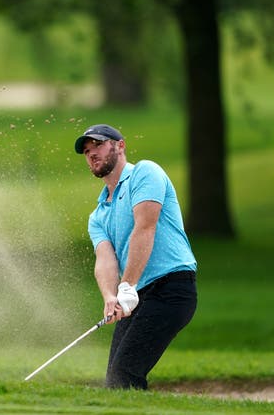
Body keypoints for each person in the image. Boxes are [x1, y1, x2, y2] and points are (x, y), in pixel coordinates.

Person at [74, 124, 197, 390]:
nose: (91, 154)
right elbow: (105, 260)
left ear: (120, 146)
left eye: (98, 145)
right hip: (137, 295)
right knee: (116, 381)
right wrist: (110, 295)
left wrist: (126, 285)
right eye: (86, 151)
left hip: (171, 288)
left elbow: (145, 227)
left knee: (124, 377)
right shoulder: (98, 215)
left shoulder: (145, 173)